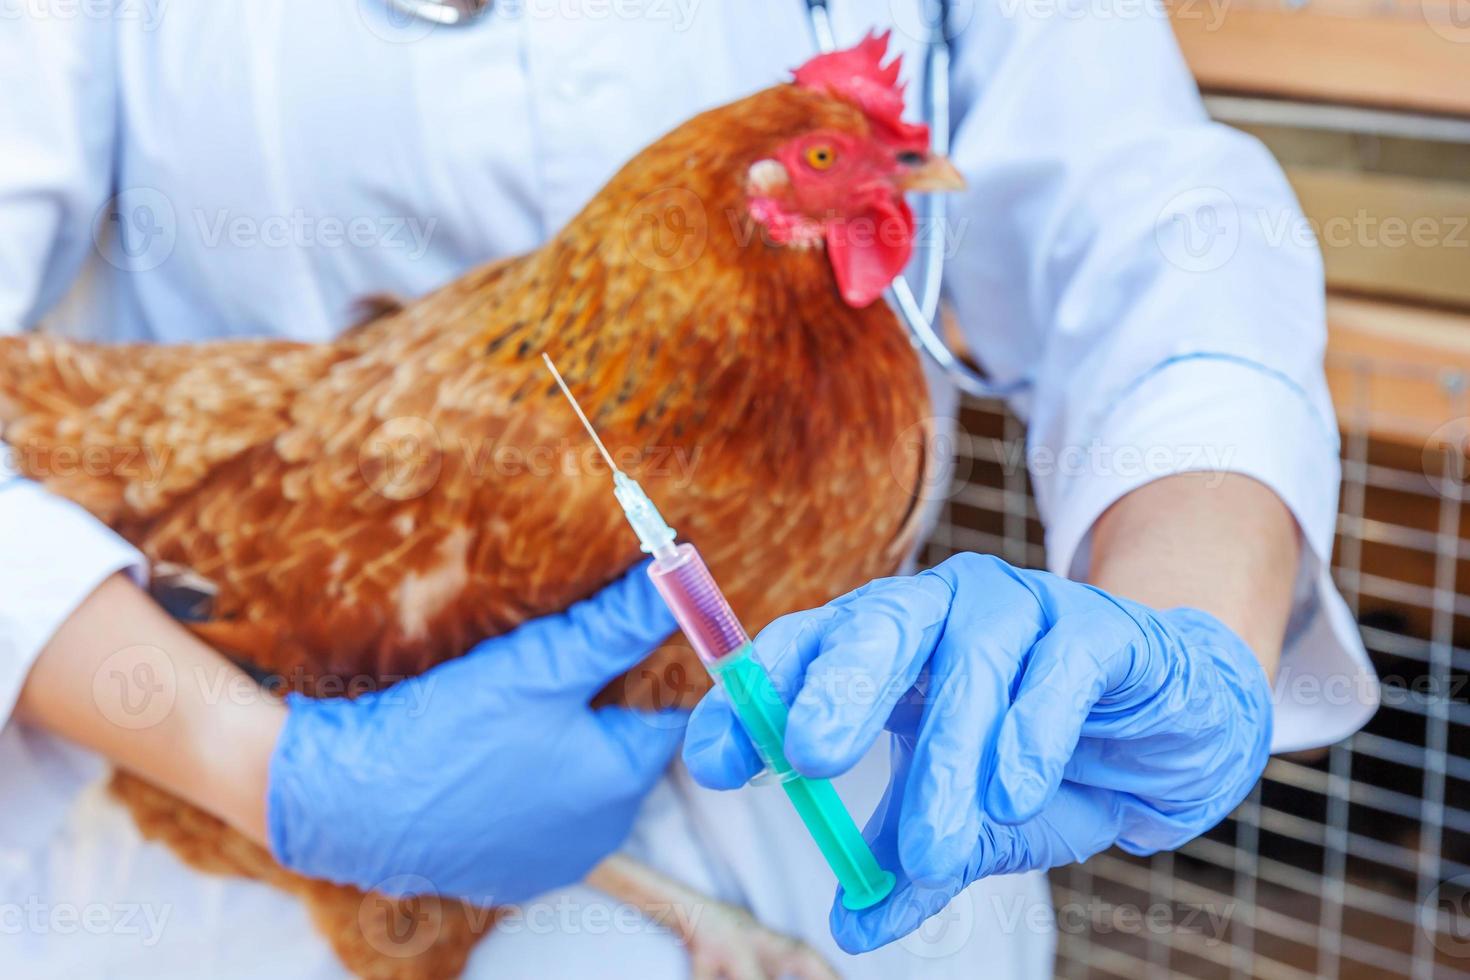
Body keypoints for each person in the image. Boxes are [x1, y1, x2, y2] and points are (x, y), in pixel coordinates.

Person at [1, 2, 1377, 977]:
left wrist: (1187, 621)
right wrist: (264, 763)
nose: (898, 172)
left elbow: (1154, 237)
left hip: (829, 826)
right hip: (242, 823)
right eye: (840, 161)